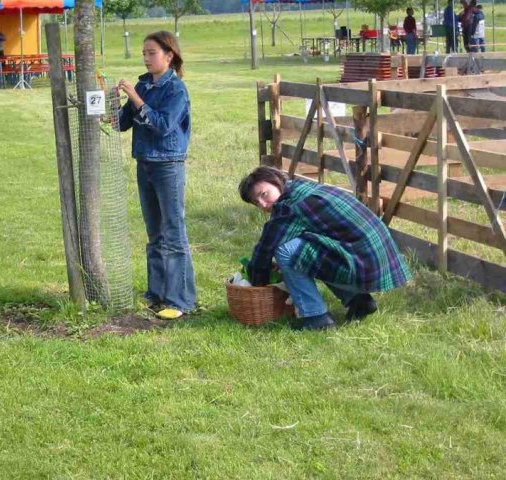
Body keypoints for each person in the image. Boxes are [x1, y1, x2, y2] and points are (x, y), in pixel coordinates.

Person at [238, 167, 412, 331]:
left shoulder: (288, 207)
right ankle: (359, 301)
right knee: (307, 250)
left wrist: (257, 280)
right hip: (375, 254)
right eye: (256, 202)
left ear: (276, 182)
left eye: (264, 194)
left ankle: (316, 318)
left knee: (286, 251)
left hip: (366, 261)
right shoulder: (300, 188)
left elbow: (266, 248)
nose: (262, 204)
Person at [116, 31, 196, 320]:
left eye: (151, 53)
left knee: (173, 233)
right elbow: (121, 123)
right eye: (144, 53)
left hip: (168, 165)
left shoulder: (176, 90)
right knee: (155, 233)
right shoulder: (144, 84)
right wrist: (110, 103)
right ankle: (157, 293)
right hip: (145, 162)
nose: (146, 58)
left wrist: (136, 98)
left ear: (169, 55)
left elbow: (162, 126)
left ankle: (181, 300)